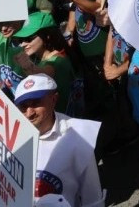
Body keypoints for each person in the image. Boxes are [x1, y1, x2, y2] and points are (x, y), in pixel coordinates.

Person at [15, 74, 104, 207]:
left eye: (36, 103)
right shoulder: (10, 135)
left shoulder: (78, 136)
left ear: (54, 99)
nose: (29, 113)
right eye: (23, 106)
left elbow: (92, 198)